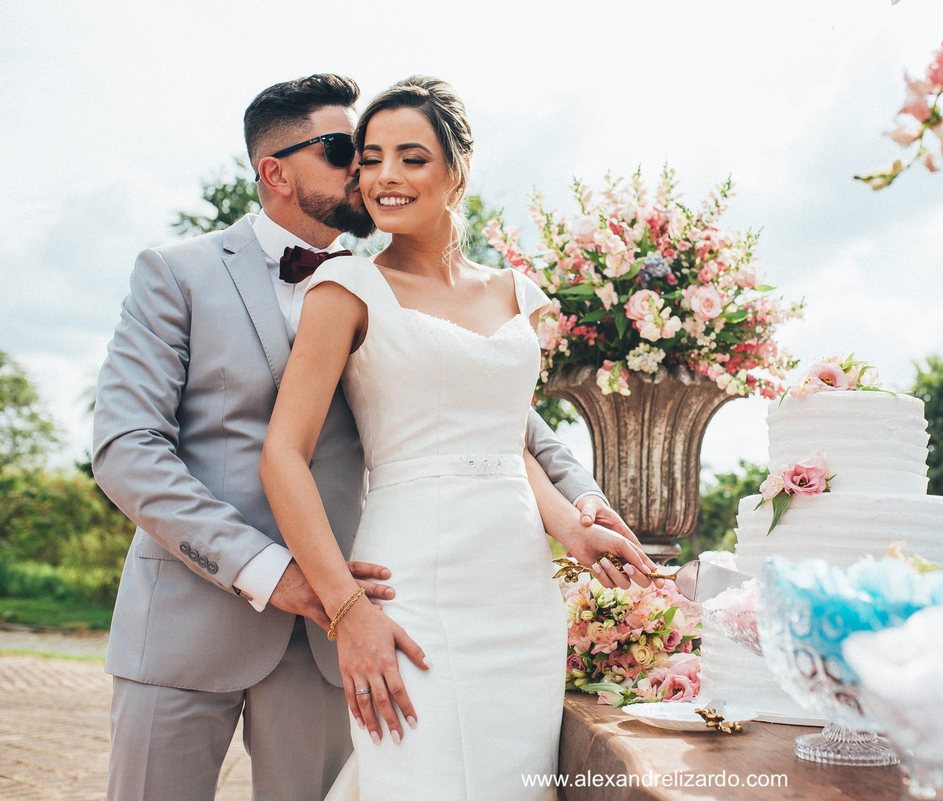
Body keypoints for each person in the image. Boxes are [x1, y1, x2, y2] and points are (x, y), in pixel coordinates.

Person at [93, 73, 632, 801]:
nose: (367, 172)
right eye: (350, 150)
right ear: (275, 172)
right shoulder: (176, 274)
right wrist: (277, 572)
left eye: (387, 154)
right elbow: (127, 451)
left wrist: (582, 511)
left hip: (345, 633)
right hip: (197, 617)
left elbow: (507, 424)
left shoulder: (410, 291)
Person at [258, 75, 660, 801]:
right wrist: (347, 608)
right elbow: (282, 454)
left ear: (457, 170)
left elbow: (506, 438)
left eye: (411, 157)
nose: (385, 175)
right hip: (414, 582)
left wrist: (571, 525)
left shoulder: (515, 293)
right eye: (371, 157)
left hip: (516, 593)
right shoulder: (344, 287)